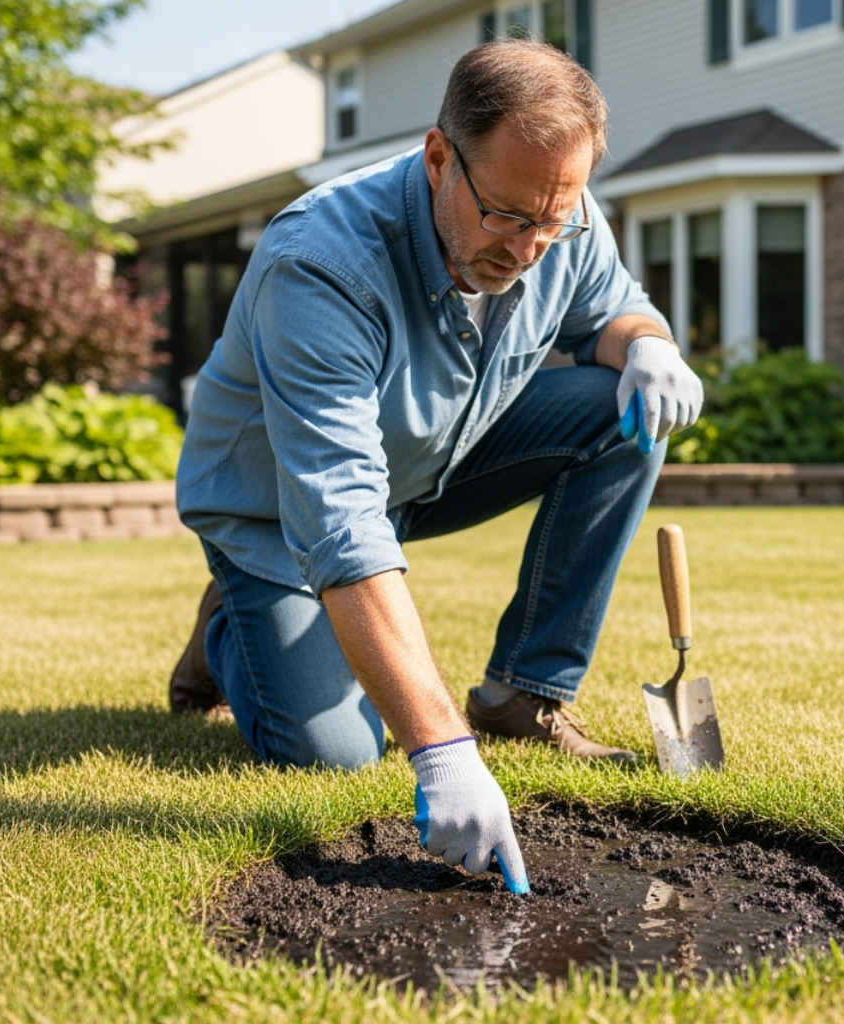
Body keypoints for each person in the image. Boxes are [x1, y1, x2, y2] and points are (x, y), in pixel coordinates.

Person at [166, 39, 703, 894]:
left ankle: (522, 693)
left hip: (427, 462)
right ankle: (234, 615)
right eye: (506, 217)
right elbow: (340, 518)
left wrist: (651, 347)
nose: (531, 247)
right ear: (438, 156)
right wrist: (444, 753)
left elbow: (614, 313)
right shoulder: (321, 263)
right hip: (278, 509)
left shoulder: (559, 209)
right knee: (339, 755)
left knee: (621, 410)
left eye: (552, 221)